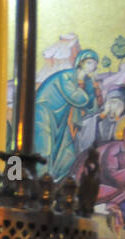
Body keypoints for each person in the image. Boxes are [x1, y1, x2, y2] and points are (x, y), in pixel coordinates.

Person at [33, 48, 101, 180]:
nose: (92, 66)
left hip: (60, 117)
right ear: (80, 63)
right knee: (44, 148)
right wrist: (88, 85)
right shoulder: (66, 77)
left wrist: (89, 86)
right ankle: (39, 183)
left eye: (94, 63)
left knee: (67, 151)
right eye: (89, 62)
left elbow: (91, 108)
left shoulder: (84, 82)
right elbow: (77, 98)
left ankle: (56, 180)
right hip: (44, 112)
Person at [77, 88, 125, 155]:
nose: (115, 106)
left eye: (119, 104)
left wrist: (118, 119)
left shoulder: (122, 122)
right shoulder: (94, 118)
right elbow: (82, 128)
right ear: (106, 103)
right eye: (113, 102)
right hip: (92, 155)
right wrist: (104, 113)